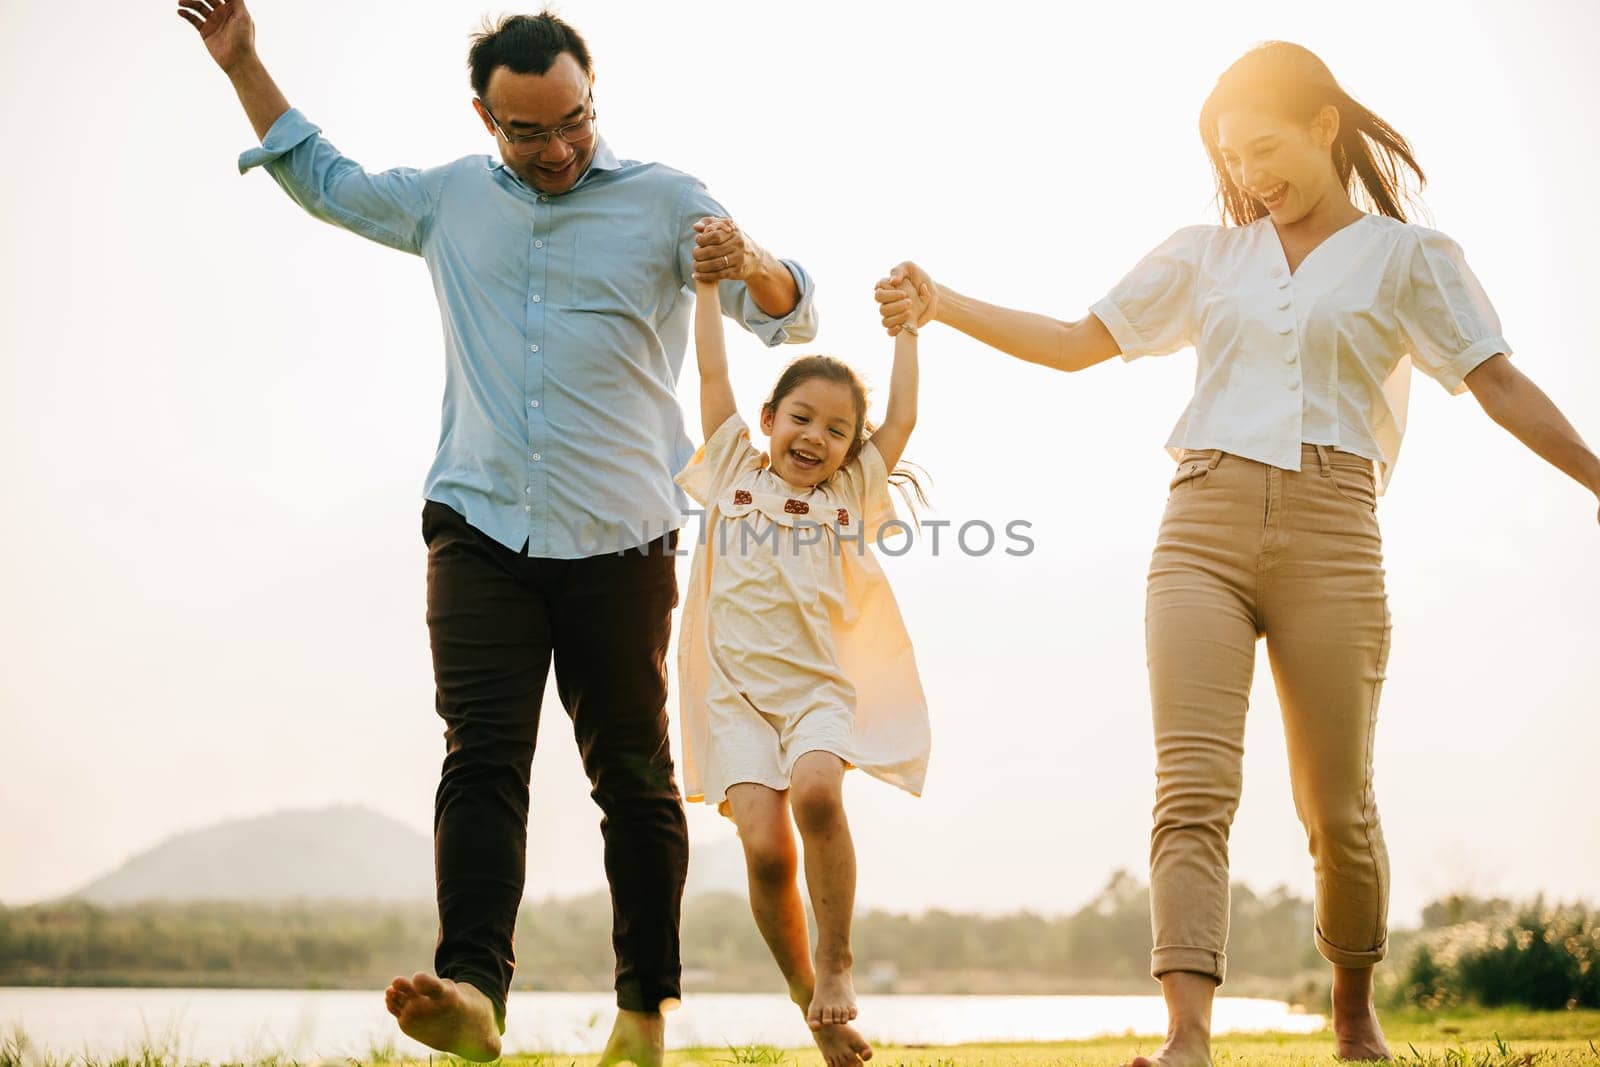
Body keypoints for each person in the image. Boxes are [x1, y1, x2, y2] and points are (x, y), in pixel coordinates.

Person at [877, 40, 1600, 1067]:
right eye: (1230, 161)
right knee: (1192, 785)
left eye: (1264, 148)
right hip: (1200, 526)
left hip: (1335, 532)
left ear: (1320, 125)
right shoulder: (1204, 255)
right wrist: (944, 301)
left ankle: (1353, 1018)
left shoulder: (1409, 259)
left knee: (1336, 803)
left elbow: (1498, 384)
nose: (1250, 177)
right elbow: (1078, 341)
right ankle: (1187, 1035)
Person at [176, 2, 818, 1062]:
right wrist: (244, 65)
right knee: (481, 759)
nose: (557, 147)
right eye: (527, 131)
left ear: (592, 95)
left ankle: (642, 1013)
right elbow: (324, 179)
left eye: (572, 120)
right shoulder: (449, 200)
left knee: (633, 771)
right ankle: (474, 989)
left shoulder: (666, 199)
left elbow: (787, 314)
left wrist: (749, 257)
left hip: (622, 536)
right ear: (484, 116)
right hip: (477, 521)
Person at [675, 254, 931, 1067]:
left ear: (851, 448)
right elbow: (711, 371)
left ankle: (838, 958)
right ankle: (809, 1003)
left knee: (818, 792)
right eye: (801, 418)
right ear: (769, 418)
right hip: (734, 701)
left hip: (818, 691)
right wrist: (708, 288)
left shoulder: (847, 497)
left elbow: (904, 419)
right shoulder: (731, 472)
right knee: (765, 849)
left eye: (836, 429)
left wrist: (909, 332)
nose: (815, 436)